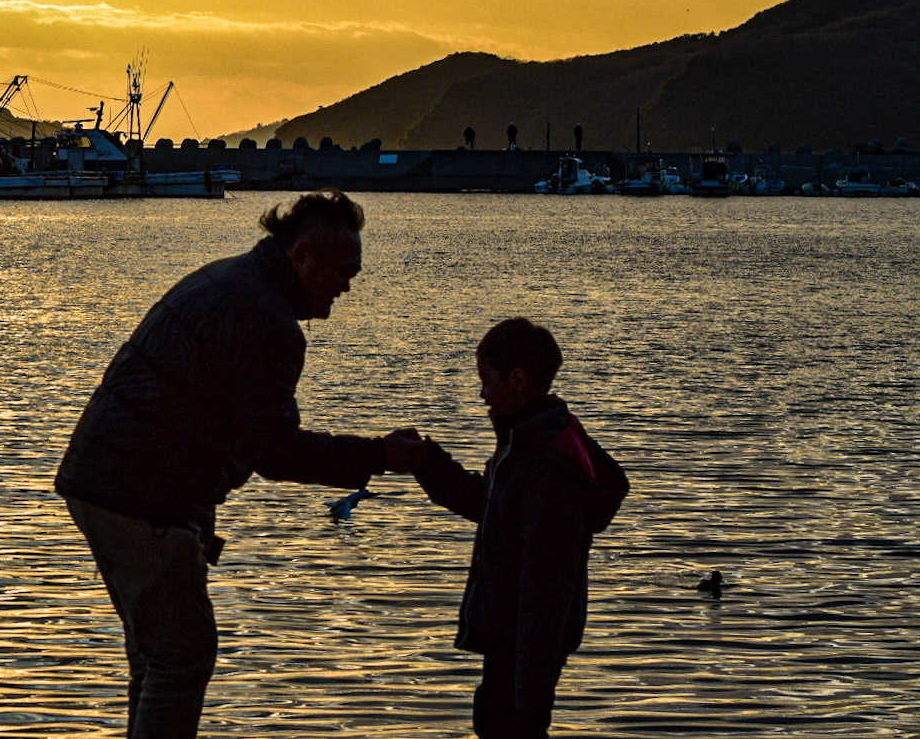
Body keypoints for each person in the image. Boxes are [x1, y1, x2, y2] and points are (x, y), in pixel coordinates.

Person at [54, 189, 422, 739]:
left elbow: (219, 426)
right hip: (139, 498)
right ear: (301, 257)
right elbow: (274, 451)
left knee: (157, 655)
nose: (349, 283)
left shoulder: (227, 279)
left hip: (103, 483)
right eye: (344, 270)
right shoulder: (265, 320)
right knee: (182, 655)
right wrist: (379, 455)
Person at [402, 318, 628, 739]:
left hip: (525, 659)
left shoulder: (546, 467)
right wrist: (428, 463)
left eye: (487, 380)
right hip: (513, 652)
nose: (482, 393)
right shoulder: (525, 446)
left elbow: (545, 591)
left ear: (518, 380)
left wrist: (530, 704)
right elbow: (489, 507)